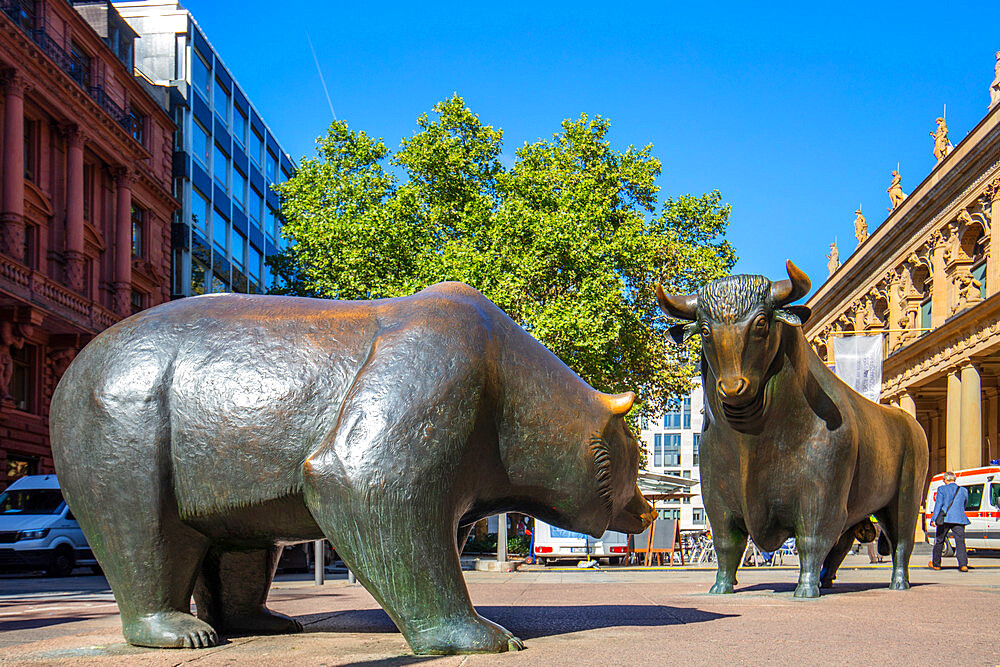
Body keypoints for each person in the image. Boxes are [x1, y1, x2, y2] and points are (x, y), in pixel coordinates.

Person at [929, 471, 970, 571]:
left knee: (939, 540)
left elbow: (938, 505)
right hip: (959, 518)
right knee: (960, 542)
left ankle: (936, 564)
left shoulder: (942, 489)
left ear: (946, 480)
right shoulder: (963, 490)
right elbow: (965, 503)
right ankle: (963, 564)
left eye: (944, 480)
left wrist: (934, 519)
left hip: (945, 518)